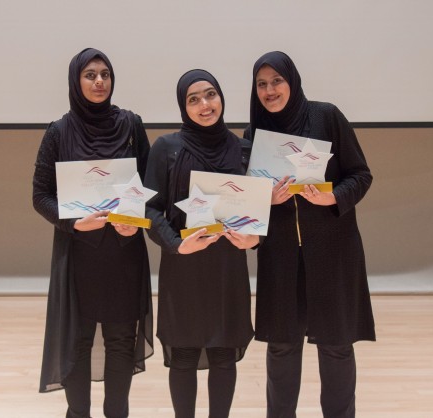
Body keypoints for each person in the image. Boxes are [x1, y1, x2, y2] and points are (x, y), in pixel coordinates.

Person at [244, 51, 376, 418]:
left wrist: (333, 196)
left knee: (336, 345)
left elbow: (361, 175)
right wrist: (266, 198)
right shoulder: (255, 133)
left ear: (292, 81)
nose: (270, 90)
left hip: (333, 251)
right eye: (261, 84)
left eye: (277, 81)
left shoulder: (326, 117)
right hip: (280, 255)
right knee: (281, 346)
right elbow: (248, 199)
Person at [33, 48, 153, 418]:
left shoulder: (131, 125)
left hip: (123, 252)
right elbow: (40, 196)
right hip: (78, 253)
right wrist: (72, 222)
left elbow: (150, 185)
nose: (99, 81)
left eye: (105, 74)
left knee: (120, 341)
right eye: (90, 75)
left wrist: (134, 220)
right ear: (76, 81)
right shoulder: (58, 131)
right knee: (78, 341)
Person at [144, 69, 256, 418]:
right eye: (194, 99)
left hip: (228, 268)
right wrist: (176, 244)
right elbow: (149, 208)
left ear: (221, 97)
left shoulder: (243, 149)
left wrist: (255, 238)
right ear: (183, 106)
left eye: (210, 94)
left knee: (224, 354)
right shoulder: (166, 148)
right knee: (183, 354)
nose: (205, 104)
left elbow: (259, 209)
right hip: (183, 266)